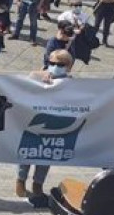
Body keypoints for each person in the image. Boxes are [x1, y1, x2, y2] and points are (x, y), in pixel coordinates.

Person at [16, 49, 75, 199]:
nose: (55, 66)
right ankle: (20, 181)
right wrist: (41, 76)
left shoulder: (70, 81)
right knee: (28, 151)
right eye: (52, 63)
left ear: (68, 66)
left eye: (59, 64)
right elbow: (26, 83)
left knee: (46, 154)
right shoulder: (37, 75)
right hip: (35, 119)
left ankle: (38, 184)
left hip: (55, 121)